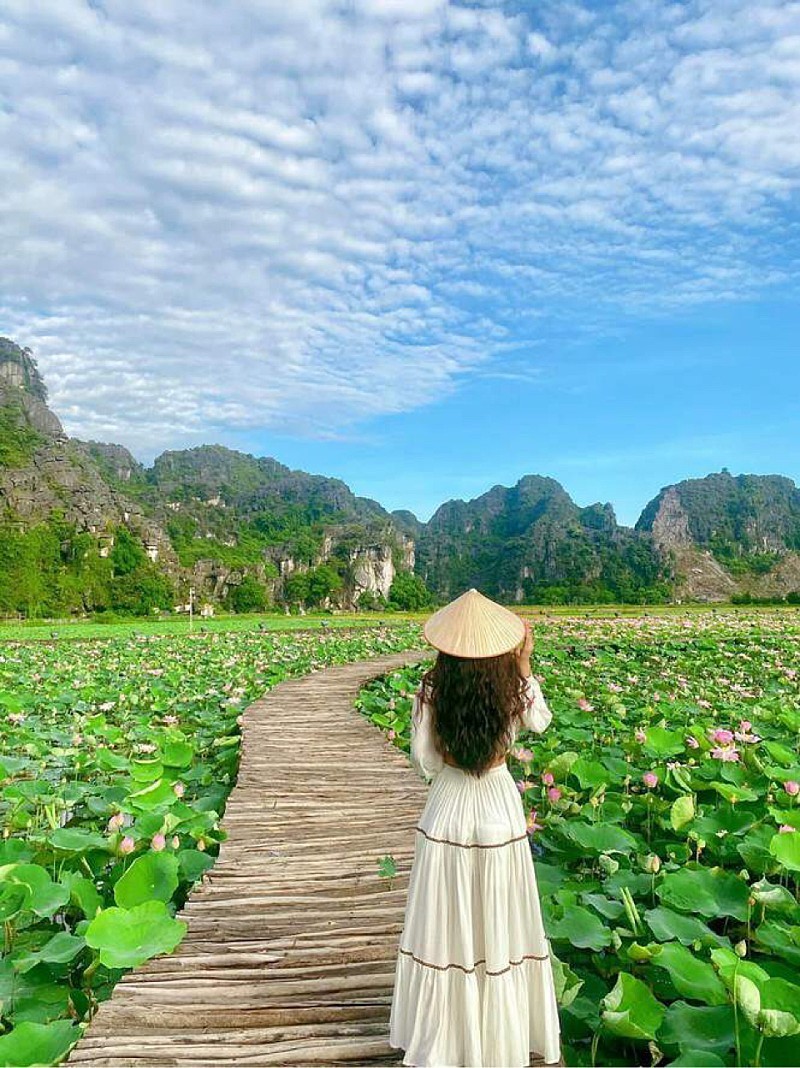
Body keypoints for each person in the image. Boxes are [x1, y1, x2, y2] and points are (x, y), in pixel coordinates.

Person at [388, 587, 561, 1068]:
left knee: (446, 917)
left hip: (449, 802)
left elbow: (424, 760)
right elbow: (541, 722)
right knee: (499, 912)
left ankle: (446, 1036)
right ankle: (497, 1036)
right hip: (498, 803)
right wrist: (524, 665)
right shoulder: (512, 688)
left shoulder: (431, 691)